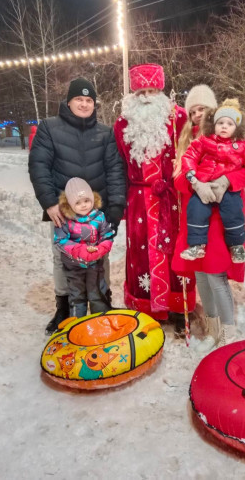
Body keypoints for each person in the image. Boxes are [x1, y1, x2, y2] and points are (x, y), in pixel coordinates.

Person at [172, 88, 245, 351]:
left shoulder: (233, 142)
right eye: (192, 111)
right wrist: (196, 184)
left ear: (213, 113)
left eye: (201, 109)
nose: (196, 115)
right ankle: (212, 328)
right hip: (197, 218)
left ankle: (228, 332)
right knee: (202, 276)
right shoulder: (191, 144)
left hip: (221, 221)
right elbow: (180, 181)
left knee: (216, 275)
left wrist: (227, 180)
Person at [29, 77, 126, 335]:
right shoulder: (49, 128)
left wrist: (115, 207)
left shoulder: (105, 134)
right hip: (64, 212)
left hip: (96, 211)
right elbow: (39, 166)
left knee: (99, 256)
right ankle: (64, 306)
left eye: (89, 100)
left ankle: (101, 302)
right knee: (63, 258)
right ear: (69, 101)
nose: (84, 104)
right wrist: (49, 202)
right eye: (79, 99)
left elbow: (115, 170)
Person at [113, 63, 196, 327]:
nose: (147, 96)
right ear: (133, 94)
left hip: (173, 198)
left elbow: (196, 153)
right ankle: (147, 309)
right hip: (139, 199)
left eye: (152, 90)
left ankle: (178, 306)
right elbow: (118, 166)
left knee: (176, 252)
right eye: (141, 92)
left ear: (160, 90)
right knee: (141, 255)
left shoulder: (180, 118)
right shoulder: (122, 124)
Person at [180, 98, 245, 263]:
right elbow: (190, 155)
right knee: (196, 209)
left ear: (236, 128)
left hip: (229, 190)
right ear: (214, 124)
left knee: (233, 212)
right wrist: (192, 176)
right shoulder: (204, 140)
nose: (224, 126)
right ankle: (196, 245)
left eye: (229, 124)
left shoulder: (244, 145)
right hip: (205, 184)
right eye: (220, 122)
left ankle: (237, 246)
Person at [54, 177, 115, 317]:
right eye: (78, 202)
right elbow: (60, 240)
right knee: (77, 297)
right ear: (69, 204)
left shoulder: (99, 217)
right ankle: (77, 324)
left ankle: (100, 321)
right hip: (74, 267)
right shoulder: (66, 220)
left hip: (95, 266)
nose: (84, 205)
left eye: (87, 200)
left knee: (97, 294)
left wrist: (100, 249)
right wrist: (80, 251)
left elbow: (107, 236)